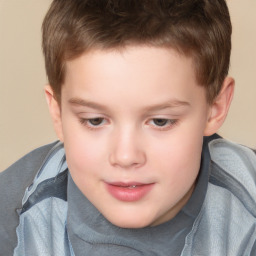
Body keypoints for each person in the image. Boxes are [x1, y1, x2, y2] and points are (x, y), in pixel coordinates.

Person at [0, 0, 255, 255]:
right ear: (58, 112)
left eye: (160, 121)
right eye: (95, 120)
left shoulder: (248, 204)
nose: (125, 156)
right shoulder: (14, 212)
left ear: (215, 106)